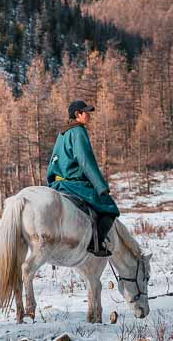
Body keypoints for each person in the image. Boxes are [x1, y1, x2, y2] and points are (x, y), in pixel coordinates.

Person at [47, 100, 120, 257]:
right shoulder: (78, 131)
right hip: (74, 184)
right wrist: (101, 187)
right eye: (86, 112)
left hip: (58, 184)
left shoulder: (63, 133)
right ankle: (95, 244)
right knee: (110, 208)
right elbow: (85, 161)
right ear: (77, 114)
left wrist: (51, 182)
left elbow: (52, 161)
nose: (89, 115)